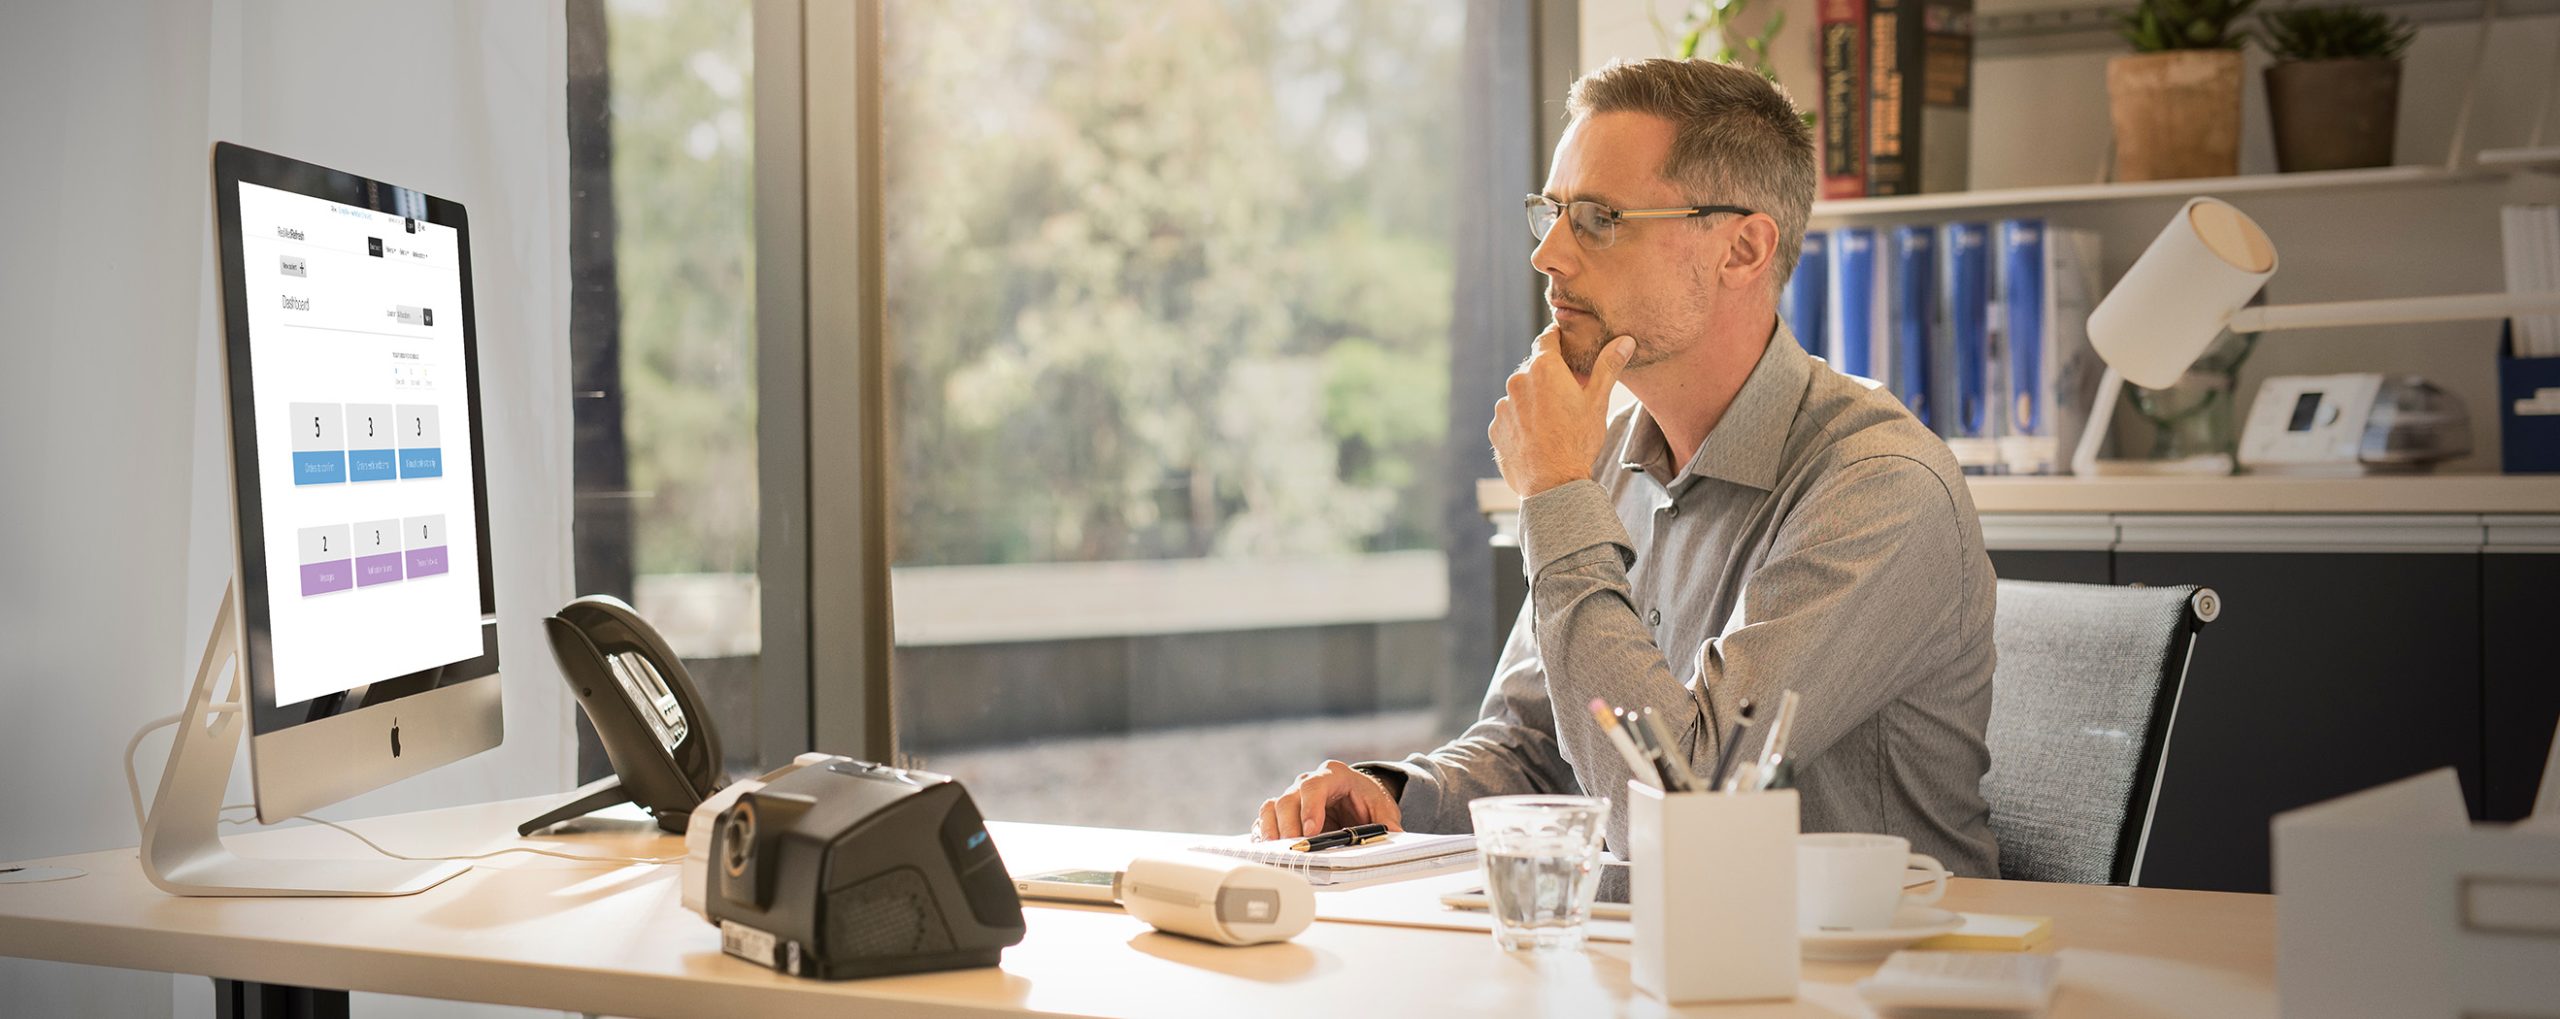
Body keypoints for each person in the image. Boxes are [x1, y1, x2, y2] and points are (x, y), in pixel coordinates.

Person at [1252, 57, 2001, 876]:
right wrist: (1396, 794)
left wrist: (1559, 498)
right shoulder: (1608, 454)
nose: (1550, 257)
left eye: (1601, 218)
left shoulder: (1880, 484)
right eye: (1554, 213)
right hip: (1676, 973)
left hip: (1867, 983)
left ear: (1743, 249)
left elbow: (1680, 817)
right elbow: (1539, 744)